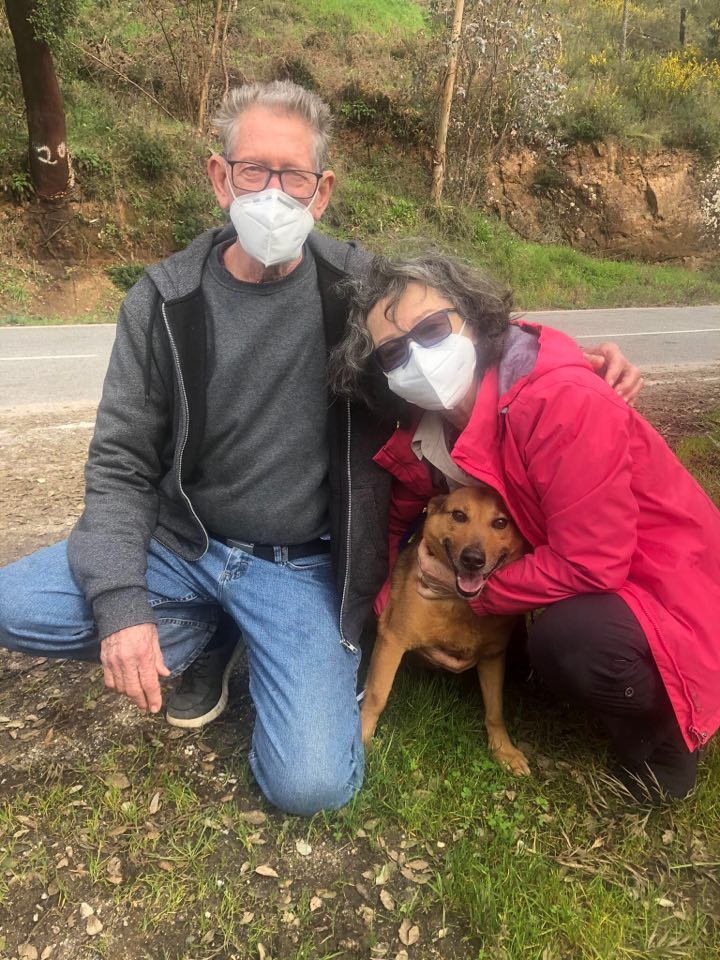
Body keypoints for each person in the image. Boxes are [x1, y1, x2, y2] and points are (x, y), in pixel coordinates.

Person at [0, 81, 640, 816]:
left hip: (298, 566)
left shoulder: (357, 288)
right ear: (219, 178)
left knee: (312, 785)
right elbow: (119, 461)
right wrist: (121, 608)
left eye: (294, 175)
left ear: (323, 191)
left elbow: (453, 319)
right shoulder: (164, 299)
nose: (273, 193)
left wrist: (563, 356)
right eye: (253, 170)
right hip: (182, 545)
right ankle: (206, 625)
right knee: (13, 603)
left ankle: (245, 628)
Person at [330, 252, 720, 800]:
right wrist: (392, 614)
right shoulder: (432, 428)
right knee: (547, 641)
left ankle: (665, 737)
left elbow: (595, 562)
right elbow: (397, 521)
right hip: (589, 566)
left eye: (432, 329)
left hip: (668, 578)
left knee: (571, 641)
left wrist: (475, 596)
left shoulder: (560, 401)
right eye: (394, 351)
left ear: (473, 318)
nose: (418, 357)